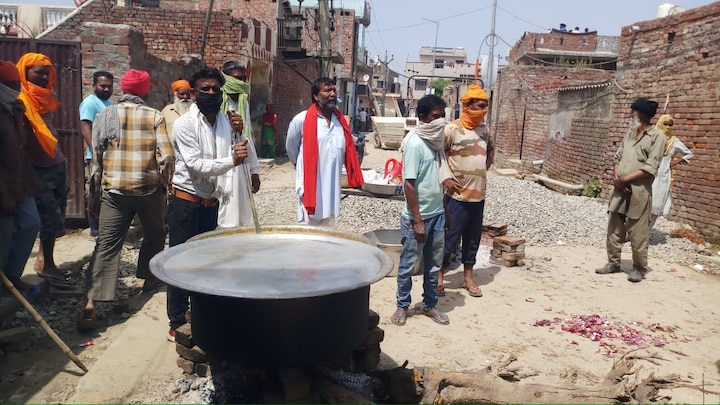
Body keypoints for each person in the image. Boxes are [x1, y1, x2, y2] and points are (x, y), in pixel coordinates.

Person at [79, 69, 175, 330]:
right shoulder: (154, 115)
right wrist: (165, 184)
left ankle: (91, 305)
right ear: (144, 90)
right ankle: (149, 278)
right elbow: (166, 156)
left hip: (114, 192)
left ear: (123, 89)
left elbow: (96, 158)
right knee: (155, 235)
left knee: (107, 245)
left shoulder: (105, 115)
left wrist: (95, 193)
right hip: (148, 190)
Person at [166, 67, 248, 340]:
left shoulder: (226, 121)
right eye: (205, 89)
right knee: (180, 261)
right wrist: (231, 161)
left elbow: (240, 147)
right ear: (193, 93)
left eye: (216, 89)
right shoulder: (184, 125)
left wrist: (239, 134)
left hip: (211, 204)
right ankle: (177, 321)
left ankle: (200, 312)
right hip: (186, 203)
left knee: (206, 263)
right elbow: (197, 166)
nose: (211, 93)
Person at [390, 94, 452, 327]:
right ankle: (402, 306)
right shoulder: (415, 143)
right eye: (436, 117)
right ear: (423, 118)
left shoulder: (436, 144)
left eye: (443, 117)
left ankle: (430, 305)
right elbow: (409, 184)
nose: (440, 122)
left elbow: (438, 180)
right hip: (418, 218)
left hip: (437, 215)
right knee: (407, 264)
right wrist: (417, 220)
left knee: (434, 265)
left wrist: (445, 212)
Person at [596, 98, 665, 283]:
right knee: (614, 228)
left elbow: (651, 166)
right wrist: (618, 179)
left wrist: (625, 180)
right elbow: (617, 157)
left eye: (632, 111)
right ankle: (613, 263)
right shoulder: (630, 133)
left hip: (639, 192)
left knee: (638, 231)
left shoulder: (658, 137)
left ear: (641, 113)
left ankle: (639, 268)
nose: (630, 115)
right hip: (620, 189)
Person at [16, 52, 69, 288]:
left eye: (47, 71)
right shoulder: (18, 100)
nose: (44, 75)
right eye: (39, 71)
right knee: (48, 218)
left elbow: (47, 128)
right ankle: (46, 265)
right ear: (24, 72)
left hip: (56, 162)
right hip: (37, 167)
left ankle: (45, 260)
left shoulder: (49, 94)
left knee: (58, 211)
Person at [437, 84, 493, 298]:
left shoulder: (485, 130)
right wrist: (445, 180)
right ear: (468, 105)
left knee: (472, 239)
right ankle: (439, 276)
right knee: (449, 238)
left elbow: (490, 150)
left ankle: (468, 278)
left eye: (486, 106)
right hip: (456, 197)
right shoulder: (452, 129)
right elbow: (438, 157)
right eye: (479, 106)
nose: (483, 110)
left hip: (478, 196)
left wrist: (484, 165)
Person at [285, 77, 364, 226]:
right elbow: (291, 148)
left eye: (334, 90)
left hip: (332, 189)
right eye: (327, 90)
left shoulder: (340, 122)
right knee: (307, 238)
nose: (332, 94)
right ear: (316, 96)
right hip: (310, 188)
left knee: (327, 237)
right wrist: (302, 167)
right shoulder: (301, 120)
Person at [0, 61, 43, 294]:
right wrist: (4, 194)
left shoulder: (12, 109)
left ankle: (12, 274)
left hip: (20, 183)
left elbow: (21, 145)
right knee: (4, 237)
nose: (15, 88)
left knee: (30, 224)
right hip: (3, 188)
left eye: (17, 84)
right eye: (9, 84)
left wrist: (18, 120)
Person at [217, 60, 260, 227]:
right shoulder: (217, 103)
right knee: (223, 215)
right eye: (236, 79)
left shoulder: (243, 102)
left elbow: (247, 135)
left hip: (241, 167)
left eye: (243, 79)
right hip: (221, 165)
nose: (241, 83)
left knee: (241, 213)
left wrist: (254, 170)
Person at [79, 70, 114, 241]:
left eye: (109, 86)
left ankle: (105, 226)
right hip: (96, 156)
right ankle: (94, 229)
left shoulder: (110, 104)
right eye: (103, 85)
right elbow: (86, 127)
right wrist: (95, 151)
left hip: (110, 156)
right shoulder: (90, 103)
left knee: (107, 191)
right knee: (95, 191)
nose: (106, 89)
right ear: (94, 86)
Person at [650, 114, 693, 228]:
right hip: (648, 173)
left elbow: (689, 154)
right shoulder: (652, 136)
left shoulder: (674, 141)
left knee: (656, 205)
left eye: (671, 125)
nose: (668, 127)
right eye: (666, 124)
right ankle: (632, 232)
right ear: (660, 123)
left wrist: (675, 162)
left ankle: (645, 234)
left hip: (663, 177)